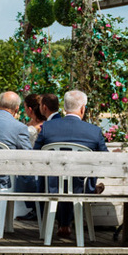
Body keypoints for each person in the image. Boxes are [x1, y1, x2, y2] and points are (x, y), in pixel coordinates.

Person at [34, 88, 109, 240]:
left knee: (60, 181)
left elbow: (35, 155)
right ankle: (90, 191)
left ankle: (61, 224)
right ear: (83, 108)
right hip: (80, 187)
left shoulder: (48, 128)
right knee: (76, 180)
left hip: (52, 186)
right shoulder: (94, 131)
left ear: (64, 108)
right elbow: (105, 160)